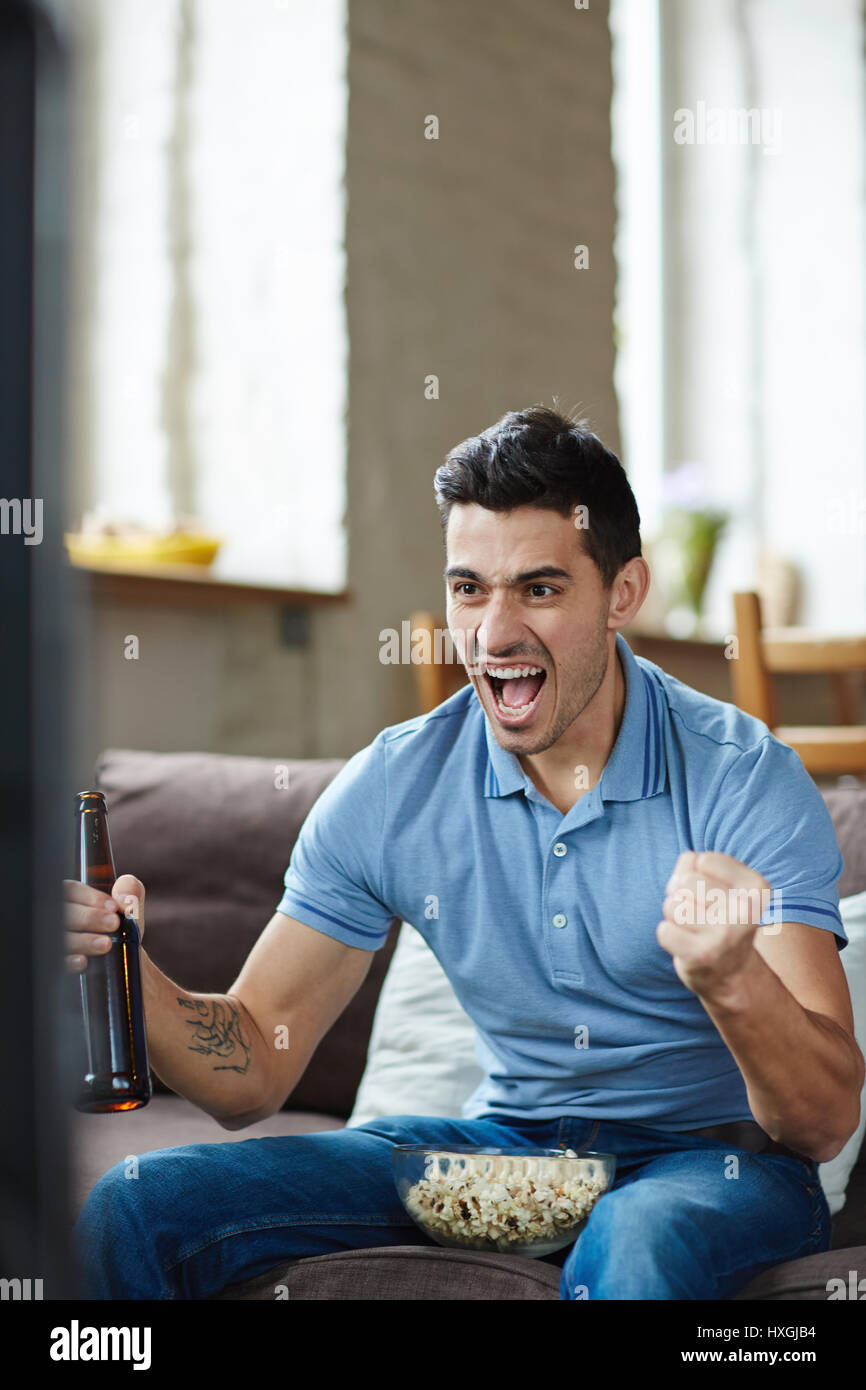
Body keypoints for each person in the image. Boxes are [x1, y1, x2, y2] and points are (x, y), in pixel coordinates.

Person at [68, 405, 863, 1300]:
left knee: (636, 1236)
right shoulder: (396, 786)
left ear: (624, 594)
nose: (492, 635)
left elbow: (824, 1120)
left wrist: (733, 981)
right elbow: (252, 1063)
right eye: (469, 589)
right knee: (133, 1203)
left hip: (719, 1161)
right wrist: (122, 967)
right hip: (508, 1150)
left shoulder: (741, 777)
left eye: (540, 589)